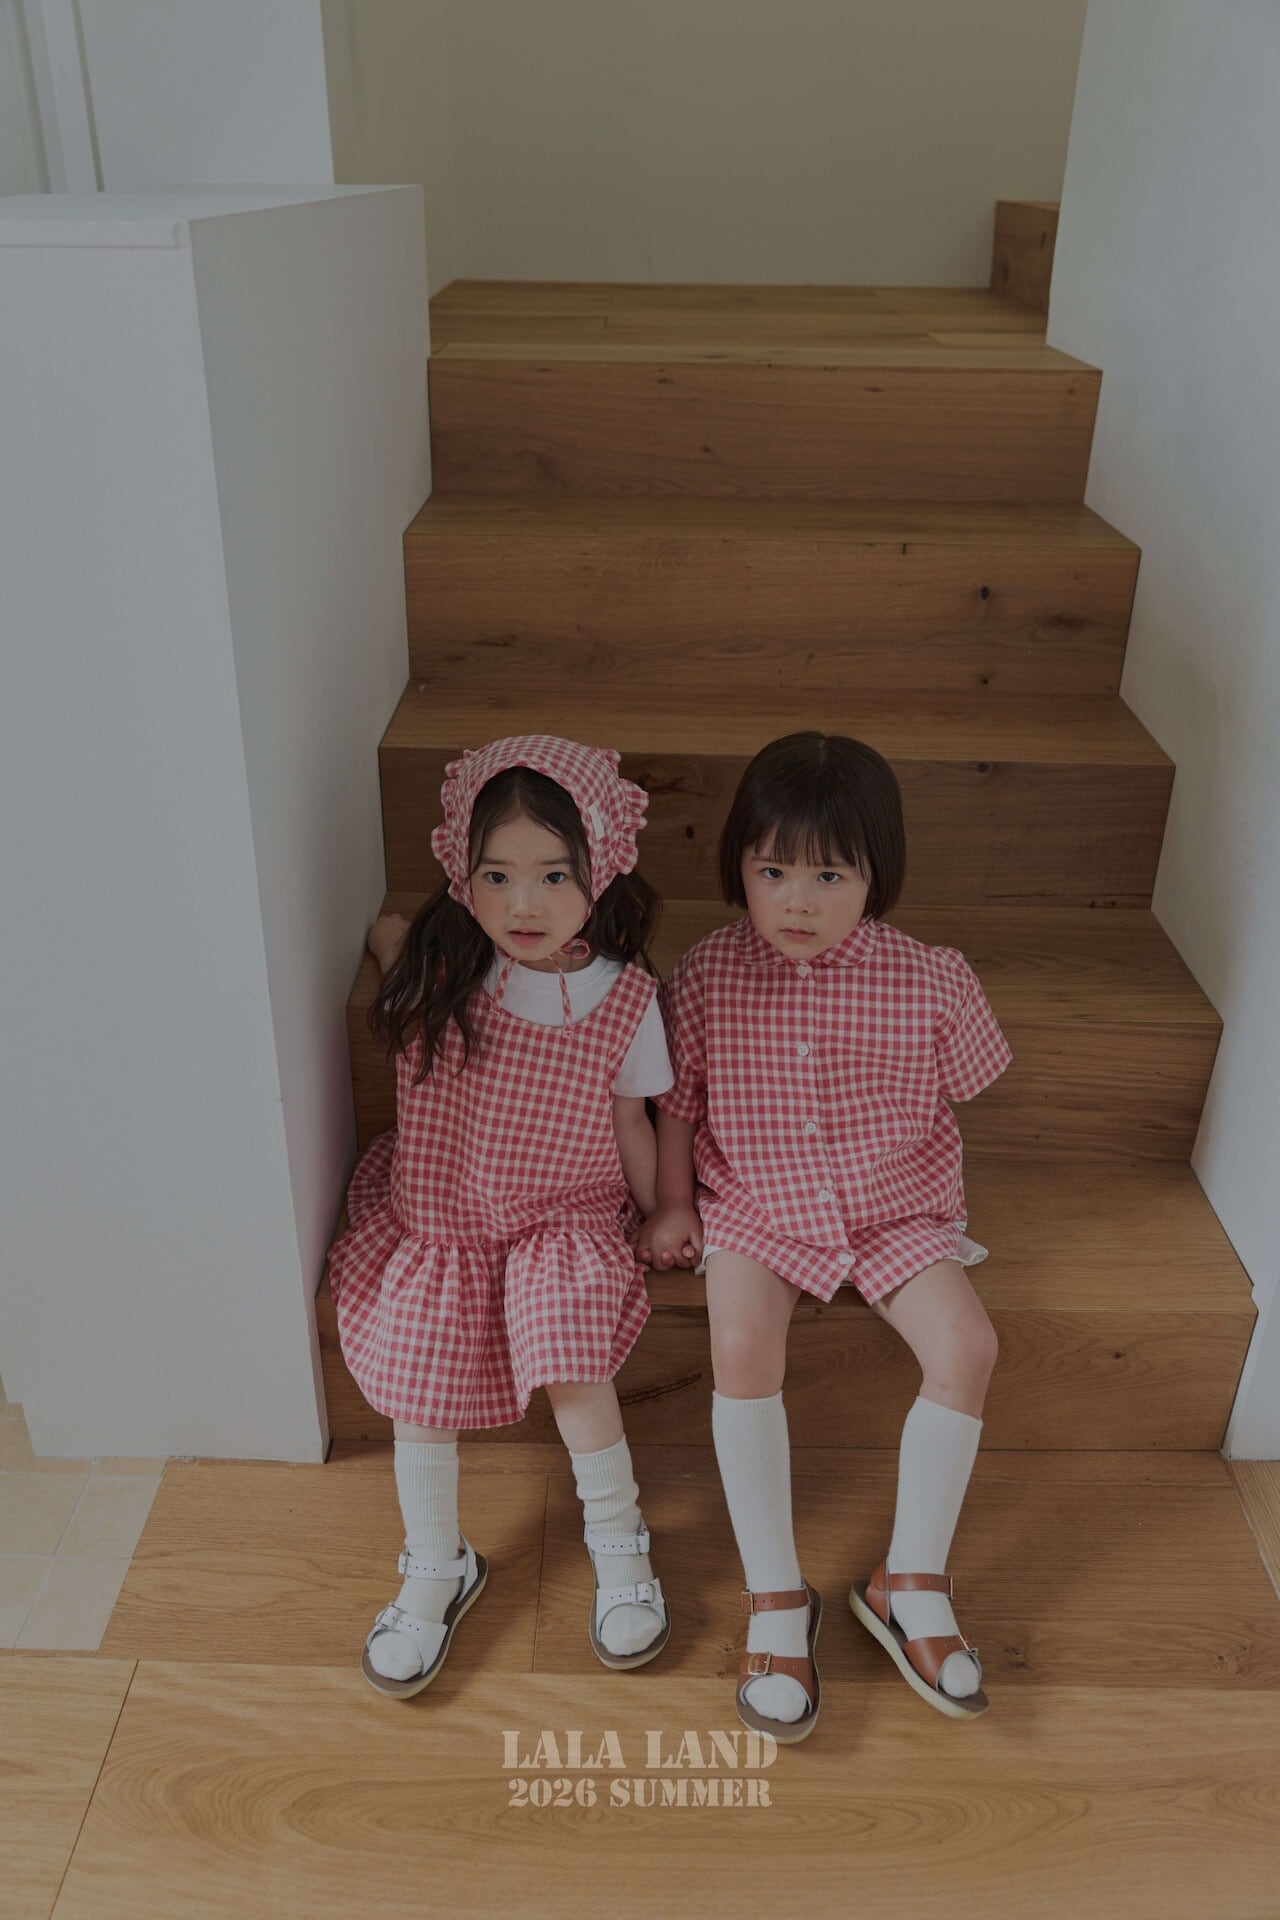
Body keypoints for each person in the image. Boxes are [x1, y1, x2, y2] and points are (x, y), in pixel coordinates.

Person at [637, 731, 1011, 1742]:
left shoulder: (932, 980)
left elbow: (968, 1085)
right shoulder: (709, 974)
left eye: (829, 875)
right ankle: (774, 1592)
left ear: (875, 874)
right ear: (738, 868)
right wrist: (672, 1205)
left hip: (894, 1204)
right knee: (738, 1342)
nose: (796, 902)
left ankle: (908, 1580)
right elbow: (678, 1105)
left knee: (969, 1345)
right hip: (756, 1201)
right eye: (771, 872)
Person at [330, 735, 674, 1697]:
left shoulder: (625, 1000)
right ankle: (437, 1561)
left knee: (572, 1357)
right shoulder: (446, 968)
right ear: (461, 874)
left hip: (562, 1221)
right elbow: (399, 955)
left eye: (555, 875)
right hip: (447, 1222)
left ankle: (618, 1537)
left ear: (601, 869)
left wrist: (663, 1211)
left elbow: (633, 1122)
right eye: (496, 875)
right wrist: (390, 941)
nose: (524, 904)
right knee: (420, 1372)